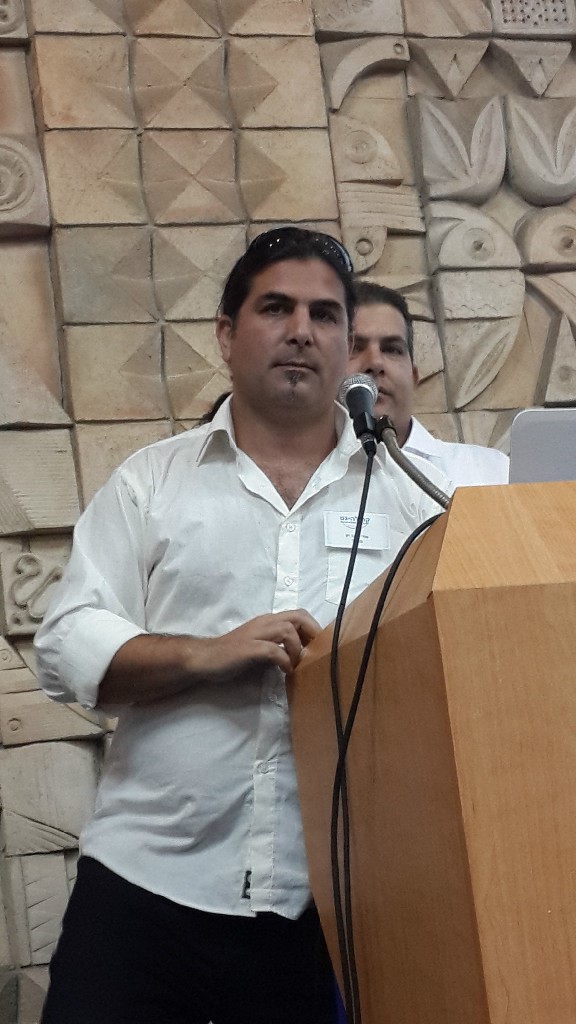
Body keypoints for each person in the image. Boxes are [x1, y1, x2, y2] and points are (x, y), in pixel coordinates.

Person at [34, 228, 447, 1024]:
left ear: (346, 347)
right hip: (146, 887)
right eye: (276, 307)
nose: (302, 330)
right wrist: (204, 655)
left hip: (327, 903)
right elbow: (66, 640)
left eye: (325, 315)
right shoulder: (154, 481)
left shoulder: (406, 499)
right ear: (226, 334)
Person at [348, 280, 509, 490]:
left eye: (392, 349)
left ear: (414, 378)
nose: (375, 363)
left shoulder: (490, 473)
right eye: (355, 348)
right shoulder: (308, 480)